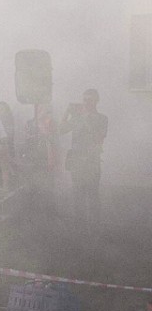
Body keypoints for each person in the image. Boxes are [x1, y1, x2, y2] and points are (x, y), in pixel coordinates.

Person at [60, 88, 108, 226]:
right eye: (85, 100)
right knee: (77, 195)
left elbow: (98, 138)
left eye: (90, 100)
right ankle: (79, 226)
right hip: (77, 161)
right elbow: (61, 130)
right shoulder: (76, 117)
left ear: (96, 101)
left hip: (92, 161)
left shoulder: (102, 118)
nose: (87, 103)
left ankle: (95, 226)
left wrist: (85, 118)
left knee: (93, 195)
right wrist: (67, 112)